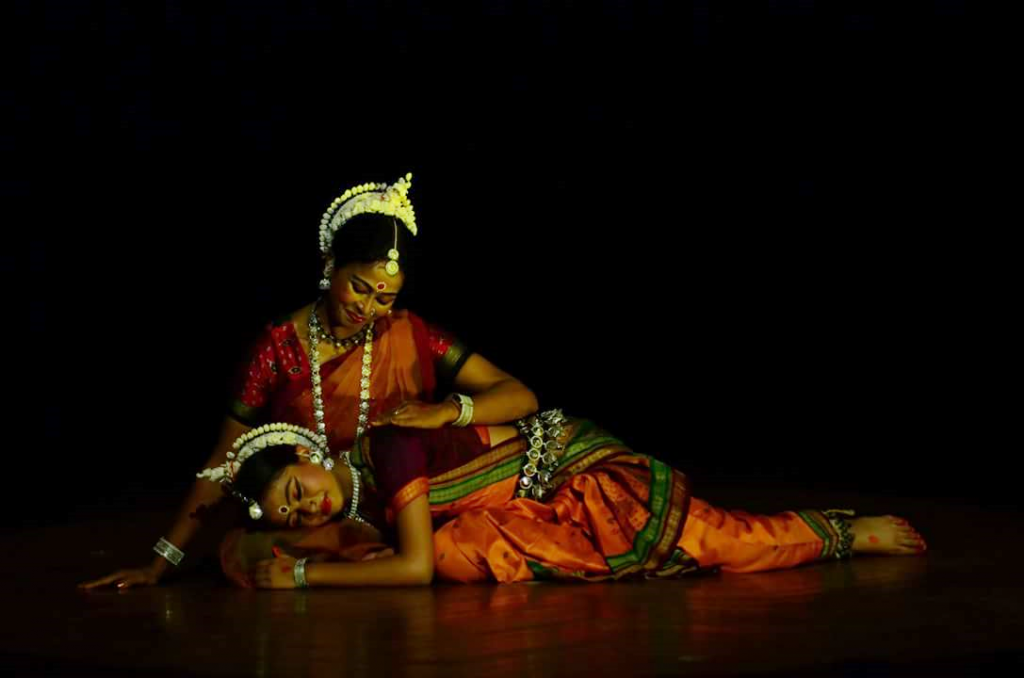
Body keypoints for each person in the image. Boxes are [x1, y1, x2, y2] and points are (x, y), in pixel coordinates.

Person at [80, 174, 538, 591]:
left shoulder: (410, 334)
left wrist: (444, 411)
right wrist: (160, 563)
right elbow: (223, 461)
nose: (369, 308)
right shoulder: (279, 349)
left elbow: (520, 396)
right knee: (247, 552)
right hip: (313, 509)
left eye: (386, 297)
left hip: (406, 507)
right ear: (330, 263)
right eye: (359, 286)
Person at [161, 418, 925, 590]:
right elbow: (244, 548)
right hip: (525, 510)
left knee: (718, 544)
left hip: (573, 475)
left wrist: (300, 581)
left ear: (308, 455)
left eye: (298, 490)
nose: (306, 507)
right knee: (467, 554)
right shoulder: (354, 504)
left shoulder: (385, 450)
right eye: (292, 512)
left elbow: (415, 565)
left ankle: (840, 533)